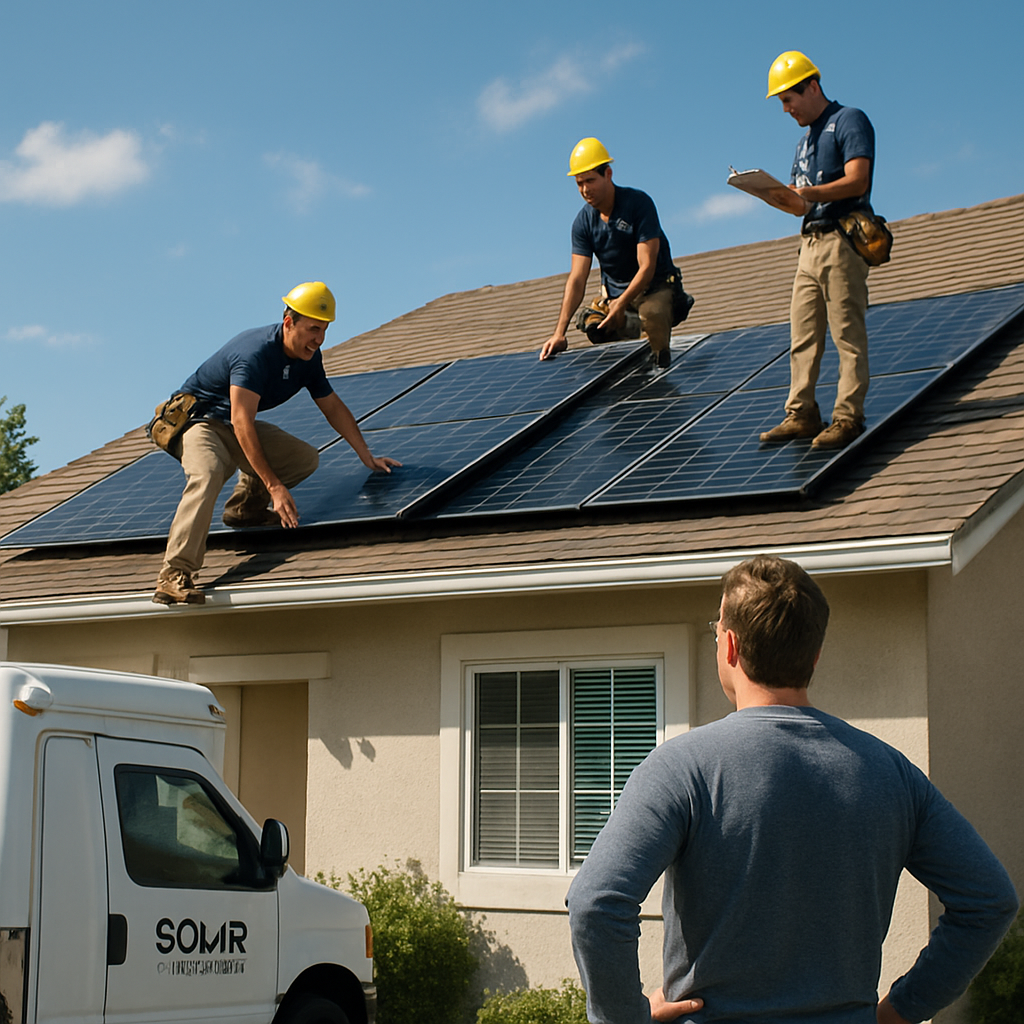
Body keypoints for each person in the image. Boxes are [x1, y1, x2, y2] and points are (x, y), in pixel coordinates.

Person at [567, 554, 1018, 1023]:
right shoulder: (892, 773)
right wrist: (903, 1009)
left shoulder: (683, 768)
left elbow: (596, 904)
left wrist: (625, 1017)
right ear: (815, 655)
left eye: (715, 629)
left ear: (730, 647)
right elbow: (989, 900)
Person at [152, 282, 400, 606]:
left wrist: (365, 454)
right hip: (201, 423)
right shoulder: (254, 354)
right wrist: (273, 486)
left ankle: (245, 510)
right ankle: (174, 576)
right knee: (208, 474)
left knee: (303, 458)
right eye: (313, 329)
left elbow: (332, 406)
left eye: (324, 330)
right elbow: (242, 423)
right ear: (288, 322)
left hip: (234, 425)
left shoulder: (309, 359)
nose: (319, 339)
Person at [759, 51, 876, 450]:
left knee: (847, 332)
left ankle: (847, 417)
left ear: (812, 86)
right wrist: (772, 195)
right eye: (781, 103)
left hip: (842, 239)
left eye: (788, 99)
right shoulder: (803, 143)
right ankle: (802, 413)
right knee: (803, 332)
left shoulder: (849, 120)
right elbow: (801, 206)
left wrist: (806, 193)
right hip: (808, 243)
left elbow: (858, 181)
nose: (786, 109)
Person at [540, 137, 689, 370]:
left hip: (654, 287)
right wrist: (559, 333)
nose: (585, 190)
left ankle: (659, 370)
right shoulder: (583, 222)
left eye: (590, 180)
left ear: (608, 174)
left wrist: (622, 303)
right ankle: (628, 340)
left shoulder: (638, 204)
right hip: (615, 296)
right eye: (579, 183)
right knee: (593, 324)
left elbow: (647, 267)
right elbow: (577, 279)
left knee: (652, 316)